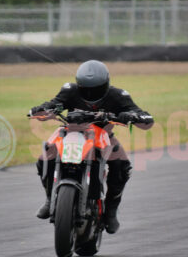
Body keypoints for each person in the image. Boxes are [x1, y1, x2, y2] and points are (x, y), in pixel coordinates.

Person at [30, 60, 154, 234]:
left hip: (103, 136)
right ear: (79, 84)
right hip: (70, 132)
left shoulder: (119, 95)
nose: (90, 93)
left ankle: (110, 211)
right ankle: (50, 198)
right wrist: (44, 109)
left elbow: (143, 117)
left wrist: (131, 116)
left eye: (95, 89)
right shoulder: (69, 90)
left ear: (106, 84)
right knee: (46, 156)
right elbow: (54, 103)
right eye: (85, 89)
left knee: (122, 166)